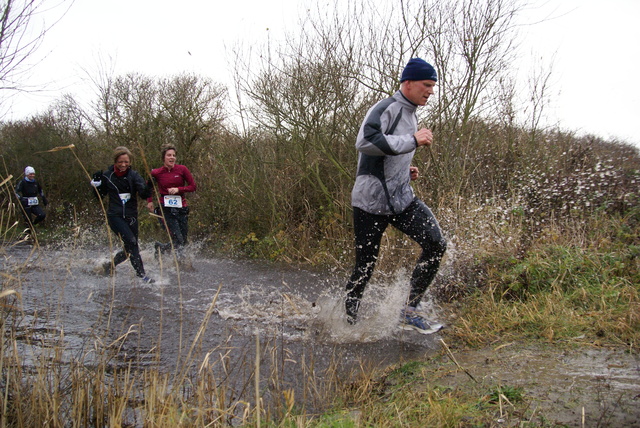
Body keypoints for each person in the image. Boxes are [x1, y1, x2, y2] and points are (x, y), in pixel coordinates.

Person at [344, 58, 447, 334]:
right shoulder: (386, 107)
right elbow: (365, 142)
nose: (431, 91)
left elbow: (389, 152)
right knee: (365, 267)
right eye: (427, 85)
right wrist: (413, 141)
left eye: (433, 86)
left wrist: (405, 169)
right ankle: (347, 323)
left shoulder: (412, 112)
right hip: (371, 203)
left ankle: (410, 311)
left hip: (401, 199)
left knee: (436, 243)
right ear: (408, 83)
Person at [90, 146, 155, 283]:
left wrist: (149, 186)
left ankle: (110, 265)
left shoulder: (134, 175)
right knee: (132, 242)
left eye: (126, 162)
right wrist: (96, 185)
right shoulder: (108, 176)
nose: (123, 164)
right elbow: (99, 197)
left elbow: (144, 194)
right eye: (120, 162)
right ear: (115, 161)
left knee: (129, 249)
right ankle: (142, 276)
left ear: (130, 162)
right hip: (115, 216)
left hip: (131, 216)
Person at [146, 143, 197, 257]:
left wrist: (178, 189)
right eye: (169, 155)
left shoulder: (182, 169)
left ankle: (161, 247)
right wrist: (149, 201)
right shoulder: (157, 172)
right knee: (177, 238)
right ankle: (180, 263)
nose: (172, 157)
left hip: (181, 207)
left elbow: (193, 186)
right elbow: (148, 187)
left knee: (183, 240)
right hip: (166, 208)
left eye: (174, 155)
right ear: (163, 157)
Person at [15, 166, 48, 234]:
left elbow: (40, 190)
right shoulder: (22, 182)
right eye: (30, 174)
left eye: (33, 174)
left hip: (34, 203)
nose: (32, 175)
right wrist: (21, 198)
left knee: (42, 215)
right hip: (26, 203)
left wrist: (44, 198)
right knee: (28, 221)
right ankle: (28, 236)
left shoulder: (35, 182)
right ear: (27, 174)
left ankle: (33, 225)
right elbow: (16, 192)